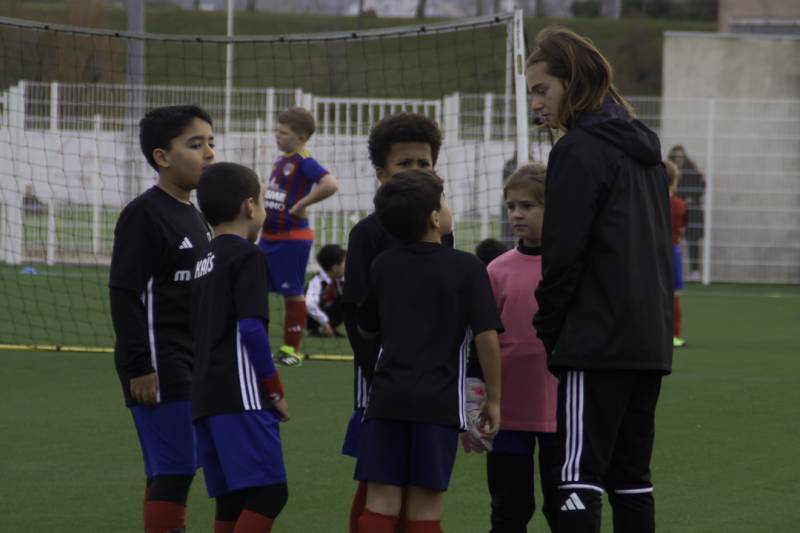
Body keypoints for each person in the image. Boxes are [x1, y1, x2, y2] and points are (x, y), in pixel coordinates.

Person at [527, 27, 673, 533]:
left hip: (597, 339)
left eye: (542, 90)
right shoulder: (645, 152)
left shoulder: (578, 149)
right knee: (632, 478)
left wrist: (551, 328)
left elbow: (563, 255)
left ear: (575, 83)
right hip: (647, 340)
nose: (536, 104)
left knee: (575, 477)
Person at [355, 169, 502, 533]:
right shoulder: (467, 267)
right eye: (444, 201)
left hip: (387, 398)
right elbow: (487, 339)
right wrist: (494, 400)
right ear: (435, 218)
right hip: (436, 404)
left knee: (380, 503)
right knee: (425, 507)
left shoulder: (383, 264)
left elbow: (365, 327)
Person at [109, 105, 215, 533]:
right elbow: (125, 293)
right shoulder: (144, 213)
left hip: (192, 359)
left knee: (174, 467)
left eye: (211, 142)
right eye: (195, 144)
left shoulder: (195, 213)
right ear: (162, 157)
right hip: (159, 359)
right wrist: (141, 365)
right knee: (175, 469)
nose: (208, 152)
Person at [341, 112, 448, 532]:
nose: (417, 172)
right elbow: (356, 313)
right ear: (382, 174)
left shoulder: (442, 231)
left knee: (422, 482)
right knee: (378, 478)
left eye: (424, 164)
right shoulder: (367, 234)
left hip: (433, 382)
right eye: (405, 164)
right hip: (381, 381)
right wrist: (375, 372)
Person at [193, 162, 289, 532]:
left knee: (233, 498)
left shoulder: (204, 260)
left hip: (205, 396)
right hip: (241, 395)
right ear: (250, 207)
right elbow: (250, 329)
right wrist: (274, 389)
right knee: (270, 493)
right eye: (264, 202)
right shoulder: (248, 256)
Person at [484, 162, 558, 532]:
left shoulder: (572, 266)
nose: (516, 214)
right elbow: (482, 341)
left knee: (564, 506)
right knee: (510, 507)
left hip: (560, 410)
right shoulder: (497, 270)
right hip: (508, 412)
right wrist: (477, 396)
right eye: (511, 206)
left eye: (528, 206)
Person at [259, 107, 338, 366]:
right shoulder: (282, 161)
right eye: (277, 131)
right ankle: (255, 343)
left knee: (292, 293)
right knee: (256, 288)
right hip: (269, 237)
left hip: (291, 238)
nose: (277, 136)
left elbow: (330, 184)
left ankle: (290, 351)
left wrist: (302, 204)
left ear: (301, 137)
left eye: (283, 132)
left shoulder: (304, 160)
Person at [667, 145, 705, 280]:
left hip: (691, 213)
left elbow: (701, 186)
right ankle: (672, 272)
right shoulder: (669, 171)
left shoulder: (692, 171)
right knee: (672, 241)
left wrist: (691, 198)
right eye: (676, 157)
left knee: (692, 240)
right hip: (672, 212)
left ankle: (695, 272)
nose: (679, 159)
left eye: (681, 156)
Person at [665, 159, 689, 348]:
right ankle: (673, 335)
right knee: (673, 295)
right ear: (674, 180)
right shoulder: (680, 204)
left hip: (650, 251)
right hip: (671, 252)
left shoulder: (648, 201)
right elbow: (682, 228)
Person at [306, 243, 346, 337]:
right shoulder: (317, 281)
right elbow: (309, 305)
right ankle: (314, 329)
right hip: (314, 316)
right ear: (335, 268)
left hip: (331, 312)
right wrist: (325, 322)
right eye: (344, 262)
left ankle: (333, 327)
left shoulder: (343, 281)